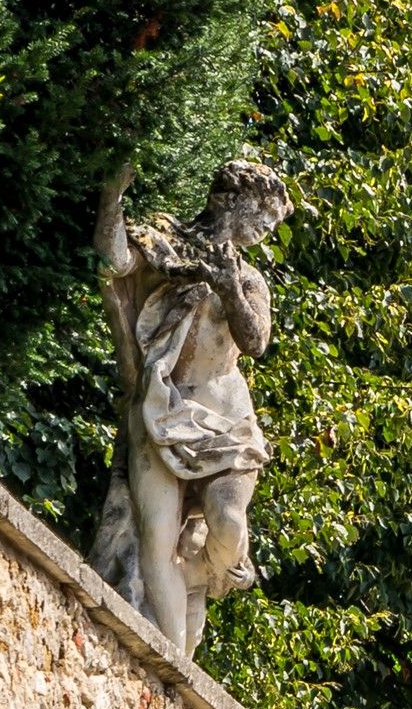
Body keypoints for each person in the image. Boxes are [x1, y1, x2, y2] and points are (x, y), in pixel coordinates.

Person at [93, 160, 289, 654]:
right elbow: (115, 262)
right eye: (262, 212)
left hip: (225, 420)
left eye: (273, 219)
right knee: (156, 538)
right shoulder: (168, 243)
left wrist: (227, 285)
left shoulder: (248, 279)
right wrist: (111, 204)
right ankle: (175, 660)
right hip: (161, 411)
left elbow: (256, 341)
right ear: (229, 199)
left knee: (227, 522)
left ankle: (213, 567)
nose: (266, 227)